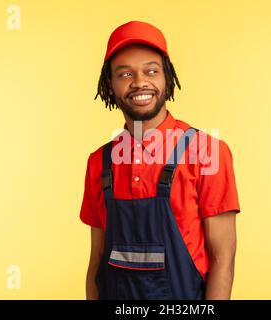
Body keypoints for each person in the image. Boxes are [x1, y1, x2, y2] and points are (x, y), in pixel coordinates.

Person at [80, 21, 241, 300]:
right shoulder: (99, 162)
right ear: (110, 84)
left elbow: (222, 261)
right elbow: (97, 260)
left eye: (151, 71)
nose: (139, 82)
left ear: (167, 77)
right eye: (125, 73)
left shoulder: (208, 152)